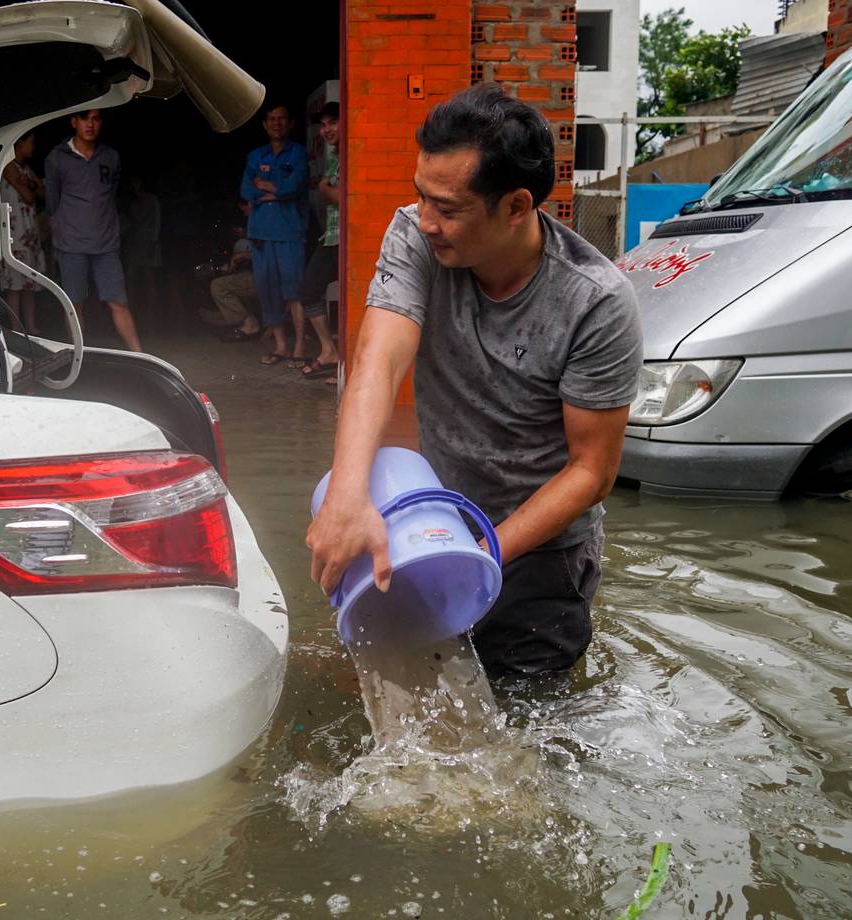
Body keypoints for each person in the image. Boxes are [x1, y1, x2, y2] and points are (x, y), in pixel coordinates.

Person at [306, 85, 643, 677]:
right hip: (437, 519)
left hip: (541, 548)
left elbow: (592, 472)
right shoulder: (414, 235)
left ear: (516, 206)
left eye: (449, 209)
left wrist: (483, 556)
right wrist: (347, 496)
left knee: (531, 722)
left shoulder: (596, 301)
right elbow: (379, 364)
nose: (427, 221)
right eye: (421, 198)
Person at [45, 109, 142, 352]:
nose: (91, 124)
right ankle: (80, 356)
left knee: (118, 301)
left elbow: (111, 194)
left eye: (96, 119)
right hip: (71, 244)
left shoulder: (111, 156)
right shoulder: (56, 158)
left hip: (106, 244)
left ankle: (140, 355)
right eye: (85, 119)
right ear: (74, 122)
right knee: (74, 303)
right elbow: (52, 204)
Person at [240, 103, 308, 367]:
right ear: (265, 125)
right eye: (272, 119)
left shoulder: (299, 153)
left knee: (295, 290)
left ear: (290, 123)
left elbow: (295, 185)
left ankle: (300, 344)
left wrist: (269, 186)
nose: (277, 123)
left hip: (289, 231)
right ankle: (280, 345)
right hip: (260, 233)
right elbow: (246, 189)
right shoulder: (256, 155)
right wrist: (274, 191)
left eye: (282, 119)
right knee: (268, 290)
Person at [297, 102, 341, 379]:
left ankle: (332, 353)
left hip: (344, 240)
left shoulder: (351, 154)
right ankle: (330, 352)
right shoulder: (336, 155)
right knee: (310, 290)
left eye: (331, 123)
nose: (326, 130)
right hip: (333, 237)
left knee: (310, 289)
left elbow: (341, 199)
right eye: (323, 125)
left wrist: (325, 187)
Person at [0, 130, 46, 334]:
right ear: (20, 144)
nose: (33, 147)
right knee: (15, 283)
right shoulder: (8, 167)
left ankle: (32, 326)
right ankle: (16, 328)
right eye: (31, 142)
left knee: (29, 283)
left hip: (29, 232)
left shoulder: (26, 169)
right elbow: (28, 196)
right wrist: (32, 186)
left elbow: (42, 193)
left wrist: (32, 184)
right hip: (15, 233)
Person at [204, 199, 261, 336]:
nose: (245, 214)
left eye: (244, 209)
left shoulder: (259, 225)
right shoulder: (260, 224)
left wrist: (244, 256)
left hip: (265, 277)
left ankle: (249, 323)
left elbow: (265, 254)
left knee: (218, 286)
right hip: (263, 274)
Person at [122, 174, 162, 322]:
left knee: (149, 278)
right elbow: (128, 224)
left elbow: (157, 221)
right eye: (132, 183)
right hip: (134, 244)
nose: (134, 185)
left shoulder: (152, 199)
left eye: (137, 182)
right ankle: (129, 313)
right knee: (131, 278)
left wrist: (153, 242)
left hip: (149, 242)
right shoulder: (131, 203)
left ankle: (152, 313)